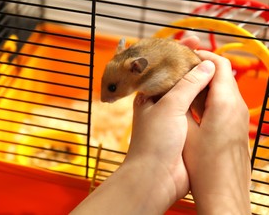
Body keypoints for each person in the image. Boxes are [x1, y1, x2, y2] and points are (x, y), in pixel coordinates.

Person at [71, 41, 251, 214]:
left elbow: (166, 82)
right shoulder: (142, 73)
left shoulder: (156, 74)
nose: (104, 98)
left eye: (111, 88)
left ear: (136, 68)